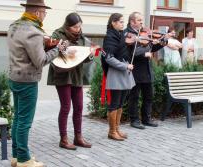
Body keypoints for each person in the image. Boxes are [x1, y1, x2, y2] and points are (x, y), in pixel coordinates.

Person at [8, 0, 66, 167]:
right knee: (24, 122)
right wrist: (57, 49)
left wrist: (47, 45)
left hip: (14, 77)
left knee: (18, 118)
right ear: (38, 12)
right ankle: (24, 159)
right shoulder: (33, 31)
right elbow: (40, 61)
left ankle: (16, 156)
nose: (45, 16)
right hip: (27, 81)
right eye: (45, 13)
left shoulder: (14, 25)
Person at [47, 13, 92, 149]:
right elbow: (51, 51)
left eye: (79, 26)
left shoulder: (82, 37)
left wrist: (89, 55)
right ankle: (64, 139)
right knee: (66, 107)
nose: (78, 29)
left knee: (79, 107)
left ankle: (78, 137)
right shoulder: (58, 34)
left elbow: (85, 56)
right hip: (63, 74)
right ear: (68, 26)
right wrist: (62, 49)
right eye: (75, 27)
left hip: (77, 74)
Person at [125, 12, 166, 129]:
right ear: (132, 21)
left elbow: (151, 47)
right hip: (136, 70)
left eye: (142, 20)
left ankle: (146, 119)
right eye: (139, 20)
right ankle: (134, 120)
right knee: (134, 97)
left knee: (149, 96)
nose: (141, 22)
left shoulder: (144, 33)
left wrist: (162, 42)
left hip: (147, 70)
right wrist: (144, 53)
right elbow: (130, 53)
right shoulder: (128, 34)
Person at [103, 13, 135, 141]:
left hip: (123, 72)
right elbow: (109, 58)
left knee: (121, 103)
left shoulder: (120, 35)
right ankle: (111, 132)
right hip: (116, 73)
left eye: (123, 22)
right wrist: (125, 66)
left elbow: (122, 51)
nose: (123, 24)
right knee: (114, 103)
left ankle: (117, 129)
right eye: (121, 22)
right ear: (113, 23)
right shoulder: (110, 37)